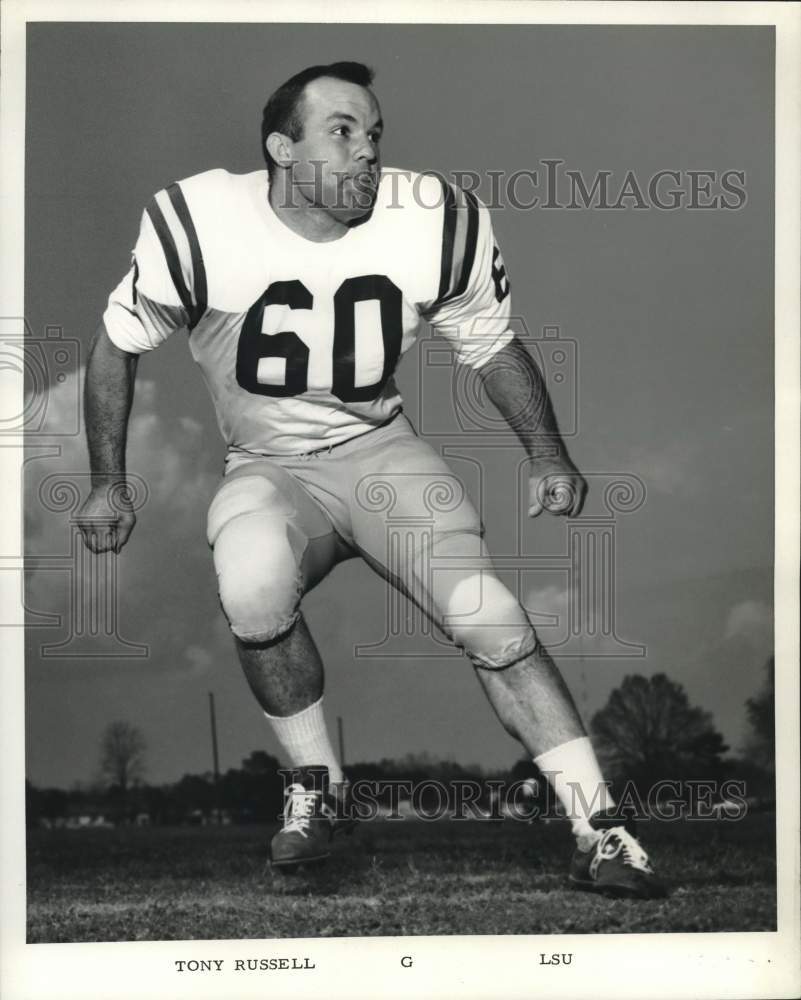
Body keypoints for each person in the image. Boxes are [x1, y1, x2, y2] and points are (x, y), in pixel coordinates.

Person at [77, 61, 665, 898]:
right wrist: (108, 480)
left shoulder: (432, 219)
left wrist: (547, 452)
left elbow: (489, 343)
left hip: (384, 453)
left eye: (374, 132)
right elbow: (116, 343)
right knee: (250, 580)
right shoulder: (199, 218)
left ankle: (600, 826)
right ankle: (317, 792)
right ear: (280, 147)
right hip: (270, 468)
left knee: (488, 614)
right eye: (341, 132)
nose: (367, 153)